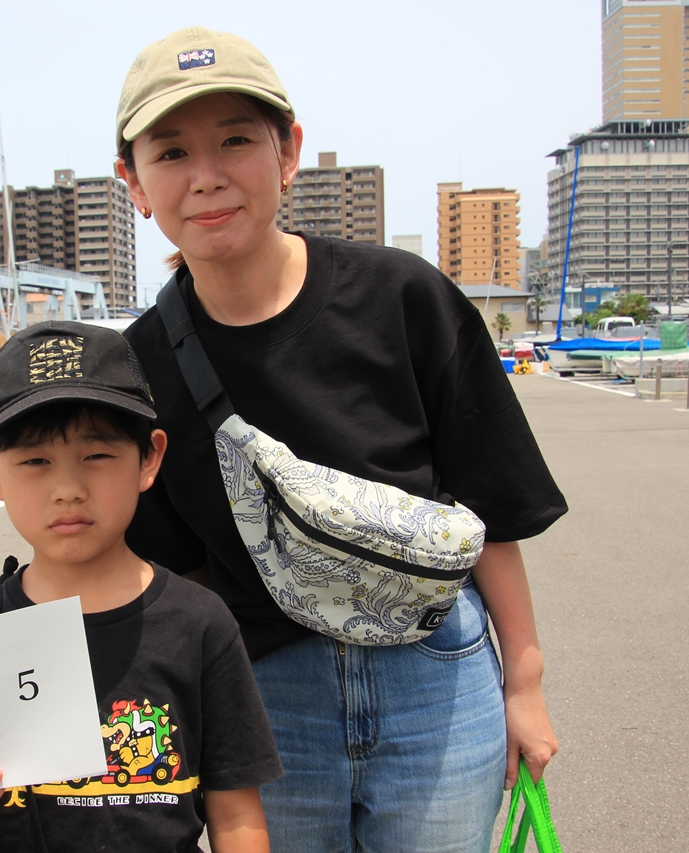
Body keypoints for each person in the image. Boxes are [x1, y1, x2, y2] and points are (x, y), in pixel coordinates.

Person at [114, 27, 568, 853]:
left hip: (436, 673)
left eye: (236, 140)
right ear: (134, 183)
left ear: (287, 151)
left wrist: (524, 684)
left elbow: (490, 510)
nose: (206, 174)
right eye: (171, 151)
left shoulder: (402, 296)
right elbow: (168, 573)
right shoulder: (138, 367)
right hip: (262, 698)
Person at [0, 321, 283, 852]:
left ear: (149, 458)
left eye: (97, 456)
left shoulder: (200, 623)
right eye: (35, 461)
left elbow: (236, 813)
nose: (68, 489)